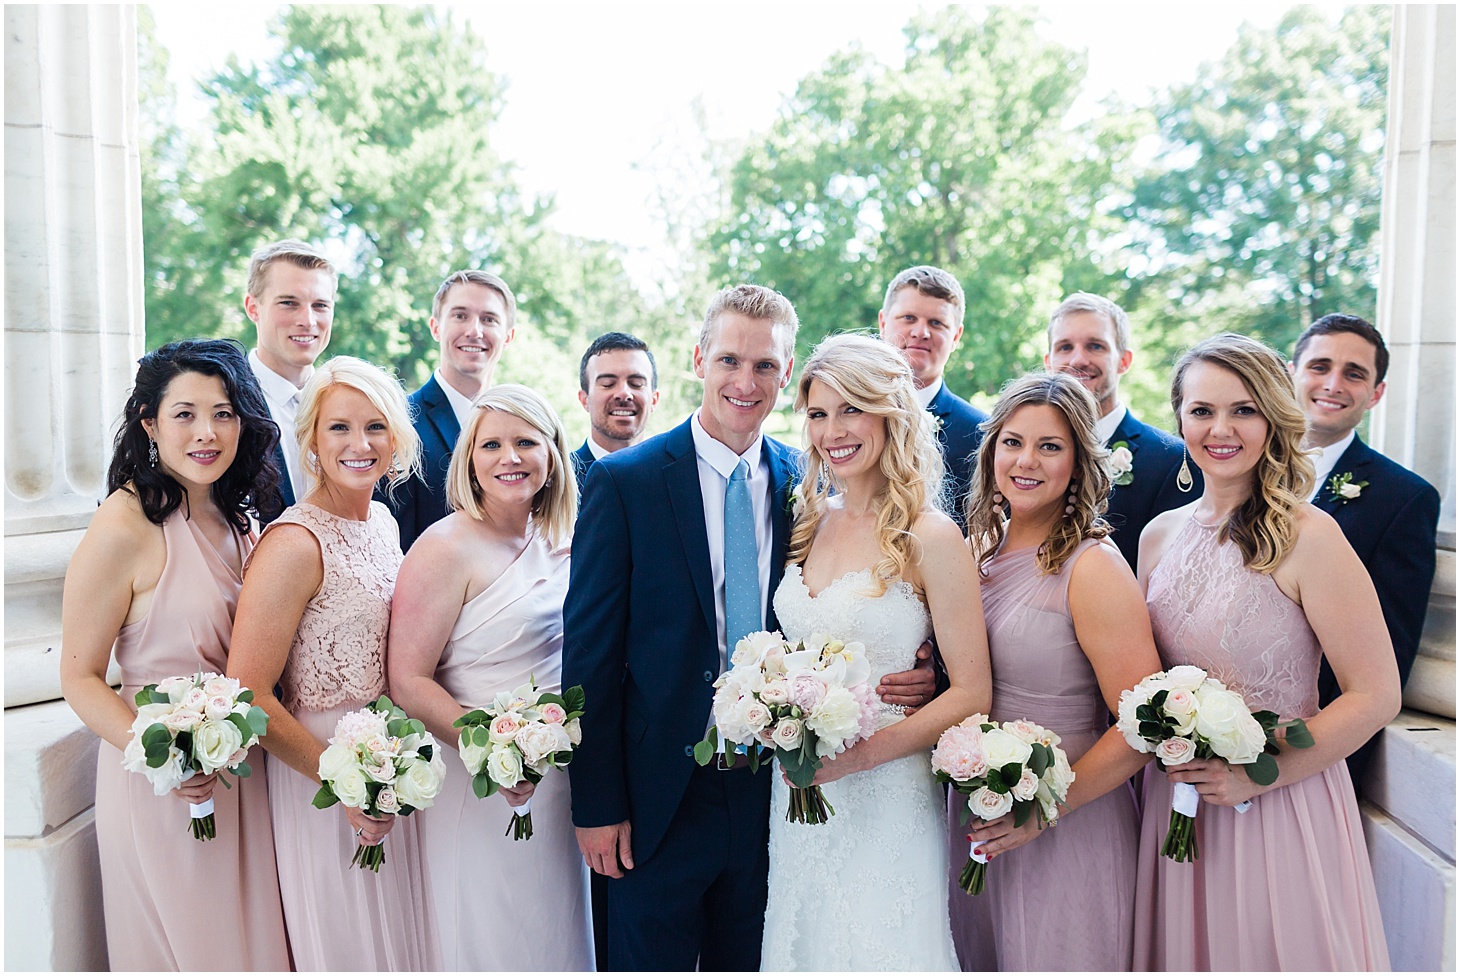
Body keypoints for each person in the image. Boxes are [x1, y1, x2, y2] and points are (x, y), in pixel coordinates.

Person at [563, 286, 938, 971]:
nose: (745, 381)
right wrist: (595, 803)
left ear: (786, 374)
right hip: (656, 800)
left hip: (780, 793)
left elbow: (850, 611)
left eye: (765, 366)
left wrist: (922, 662)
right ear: (699, 359)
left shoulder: (811, 488)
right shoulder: (626, 482)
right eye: (730, 359)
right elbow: (588, 655)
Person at [1134, 333, 1396, 970]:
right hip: (1175, 804)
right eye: (1202, 411)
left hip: (1279, 805)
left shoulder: (1310, 536)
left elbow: (1376, 694)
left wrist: (1258, 771)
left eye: (1243, 410)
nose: (1221, 428)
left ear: (1273, 420)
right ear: (1180, 420)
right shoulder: (1157, 536)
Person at [761, 334, 992, 971]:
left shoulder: (932, 535)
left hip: (888, 793)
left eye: (851, 409)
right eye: (817, 413)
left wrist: (856, 759)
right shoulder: (808, 520)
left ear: (891, 414)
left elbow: (973, 692)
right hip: (800, 793)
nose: (833, 430)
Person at [59, 339, 290, 971]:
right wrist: (169, 755)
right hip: (163, 779)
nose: (207, 432)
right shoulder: (124, 523)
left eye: (223, 412)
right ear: (149, 423)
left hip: (244, 773)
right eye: (185, 413)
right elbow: (79, 677)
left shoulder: (240, 516)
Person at [228, 357, 440, 971]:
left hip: (389, 765)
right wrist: (345, 784)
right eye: (339, 427)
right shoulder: (293, 543)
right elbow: (248, 693)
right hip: (320, 778)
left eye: (375, 426)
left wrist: (385, 775)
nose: (359, 443)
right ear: (312, 440)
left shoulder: (382, 521)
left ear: (396, 439)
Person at [947, 371, 1162, 971]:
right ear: (991, 451)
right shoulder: (977, 550)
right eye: (1013, 442)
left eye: (1050, 447)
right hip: (976, 818)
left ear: (1078, 463)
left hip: (1070, 821)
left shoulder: (1091, 567)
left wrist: (1045, 808)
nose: (1027, 461)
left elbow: (1141, 725)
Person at [388, 385, 591, 970]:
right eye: (492, 444)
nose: (511, 457)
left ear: (552, 453)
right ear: (469, 459)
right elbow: (408, 679)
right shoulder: (444, 547)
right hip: (474, 773)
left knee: (553, 930)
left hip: (556, 776)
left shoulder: (567, 538)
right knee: (489, 930)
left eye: (526, 442)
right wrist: (492, 748)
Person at [1289, 313, 1440, 786]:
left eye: (1354, 374)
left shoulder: (1404, 499)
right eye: (1320, 366)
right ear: (1292, 373)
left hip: (1307, 755)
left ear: (1376, 393)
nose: (1333, 383)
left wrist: (1324, 773)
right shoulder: (1227, 469)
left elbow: (1387, 661)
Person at [1045, 293, 1197, 567]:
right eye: (1065, 347)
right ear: (1048, 361)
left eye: (1095, 346)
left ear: (1124, 361)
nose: (1078, 360)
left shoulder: (1172, 460)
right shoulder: (1020, 457)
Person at [389, 269, 517, 551]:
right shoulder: (398, 422)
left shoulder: (524, 427)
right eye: (460, 316)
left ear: (508, 336)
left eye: (489, 319)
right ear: (436, 327)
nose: (474, 330)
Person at [877, 265, 986, 527]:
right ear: (883, 322)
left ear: (956, 336)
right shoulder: (848, 414)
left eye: (936, 323)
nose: (920, 332)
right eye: (909, 318)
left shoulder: (982, 433)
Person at [242, 239, 337, 523]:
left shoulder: (349, 400)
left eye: (320, 305)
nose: (307, 320)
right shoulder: (225, 402)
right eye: (288, 303)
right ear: (253, 308)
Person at [571, 331, 661, 491]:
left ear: (654, 399)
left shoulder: (673, 477)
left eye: (636, 383)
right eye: (607, 384)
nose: (624, 394)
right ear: (584, 399)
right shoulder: (558, 477)